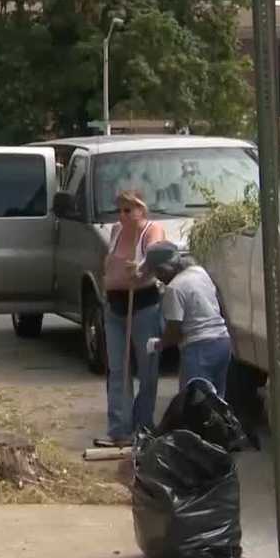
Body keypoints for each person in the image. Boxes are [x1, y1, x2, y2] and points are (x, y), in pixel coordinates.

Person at [95, 190, 167, 448]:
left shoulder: (151, 230)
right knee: (118, 369)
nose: (123, 216)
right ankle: (119, 430)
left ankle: (143, 426)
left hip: (143, 303)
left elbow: (157, 256)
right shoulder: (116, 231)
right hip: (115, 305)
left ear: (141, 210)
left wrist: (141, 268)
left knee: (147, 369)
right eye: (120, 210)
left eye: (128, 210)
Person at [141, 241, 233, 396]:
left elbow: (175, 332)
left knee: (193, 401)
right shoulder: (199, 272)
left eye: (157, 273)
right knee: (216, 400)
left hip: (199, 348)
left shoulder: (175, 288)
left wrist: (158, 344)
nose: (158, 279)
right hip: (222, 342)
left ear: (163, 269)